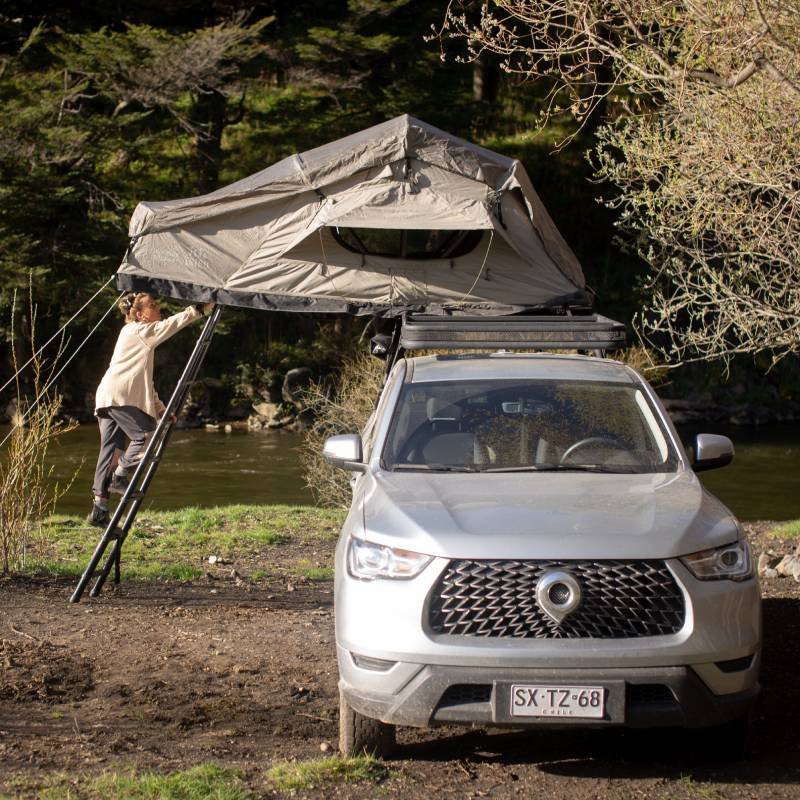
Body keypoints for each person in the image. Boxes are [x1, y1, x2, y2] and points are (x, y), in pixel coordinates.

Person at [87, 293, 214, 527]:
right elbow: (171, 325)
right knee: (146, 435)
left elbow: (144, 379)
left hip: (109, 396)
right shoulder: (139, 330)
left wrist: (160, 409)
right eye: (152, 306)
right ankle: (119, 477)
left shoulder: (134, 334)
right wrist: (198, 309)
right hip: (119, 396)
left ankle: (100, 509)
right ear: (139, 314)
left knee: (111, 452)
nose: (158, 309)